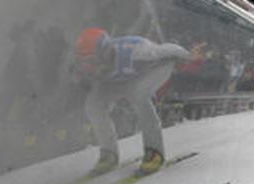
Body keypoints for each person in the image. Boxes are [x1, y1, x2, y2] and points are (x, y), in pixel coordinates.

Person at [73, 28, 199, 175]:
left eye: (92, 60)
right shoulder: (87, 67)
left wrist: (187, 56)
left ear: (105, 52)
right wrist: (82, 80)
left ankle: (154, 151)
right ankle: (109, 153)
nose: (88, 66)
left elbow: (163, 50)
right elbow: (83, 76)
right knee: (93, 104)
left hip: (150, 71)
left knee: (139, 95)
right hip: (118, 80)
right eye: (83, 61)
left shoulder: (137, 52)